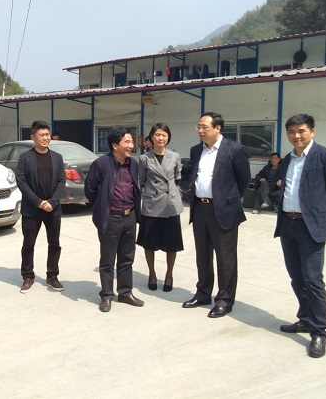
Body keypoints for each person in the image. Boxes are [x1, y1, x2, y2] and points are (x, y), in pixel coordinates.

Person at [274, 114, 326, 358]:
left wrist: (322, 220)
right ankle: (305, 319)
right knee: (296, 277)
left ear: (312, 131)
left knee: (313, 279)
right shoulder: (287, 159)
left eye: (301, 131)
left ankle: (319, 332)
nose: (296, 135)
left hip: (310, 227)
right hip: (288, 224)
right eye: (291, 131)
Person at [182, 112, 251, 318]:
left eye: (204, 127)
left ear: (218, 128)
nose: (200, 131)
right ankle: (203, 293)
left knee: (225, 258)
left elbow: (243, 180)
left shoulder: (235, 150)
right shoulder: (196, 150)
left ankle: (224, 300)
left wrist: (227, 200)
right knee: (202, 255)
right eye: (198, 127)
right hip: (200, 209)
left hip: (223, 211)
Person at [85, 126, 143, 312]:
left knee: (127, 258)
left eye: (131, 141)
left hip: (130, 216)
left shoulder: (133, 164)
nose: (131, 146)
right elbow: (90, 190)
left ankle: (125, 292)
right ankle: (107, 295)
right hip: (111, 218)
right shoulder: (101, 164)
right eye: (127, 142)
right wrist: (101, 207)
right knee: (108, 260)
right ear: (115, 145)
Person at [16, 120, 66, 293]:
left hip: (53, 208)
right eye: (41, 135)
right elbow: (21, 182)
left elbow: (61, 181)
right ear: (33, 137)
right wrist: (38, 202)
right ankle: (28, 276)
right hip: (32, 209)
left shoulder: (57, 158)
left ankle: (52, 275)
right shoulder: (25, 158)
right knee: (28, 244)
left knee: (54, 243)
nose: (45, 138)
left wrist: (52, 202)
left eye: (47, 134)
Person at [136, 123, 184, 292]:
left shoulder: (175, 156)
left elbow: (177, 177)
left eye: (164, 135)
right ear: (151, 138)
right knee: (149, 243)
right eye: (157, 135)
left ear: (168, 137)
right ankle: (152, 274)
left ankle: (169, 275)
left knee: (172, 244)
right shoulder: (144, 158)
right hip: (152, 203)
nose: (160, 138)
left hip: (170, 204)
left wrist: (172, 192)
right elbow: (142, 180)